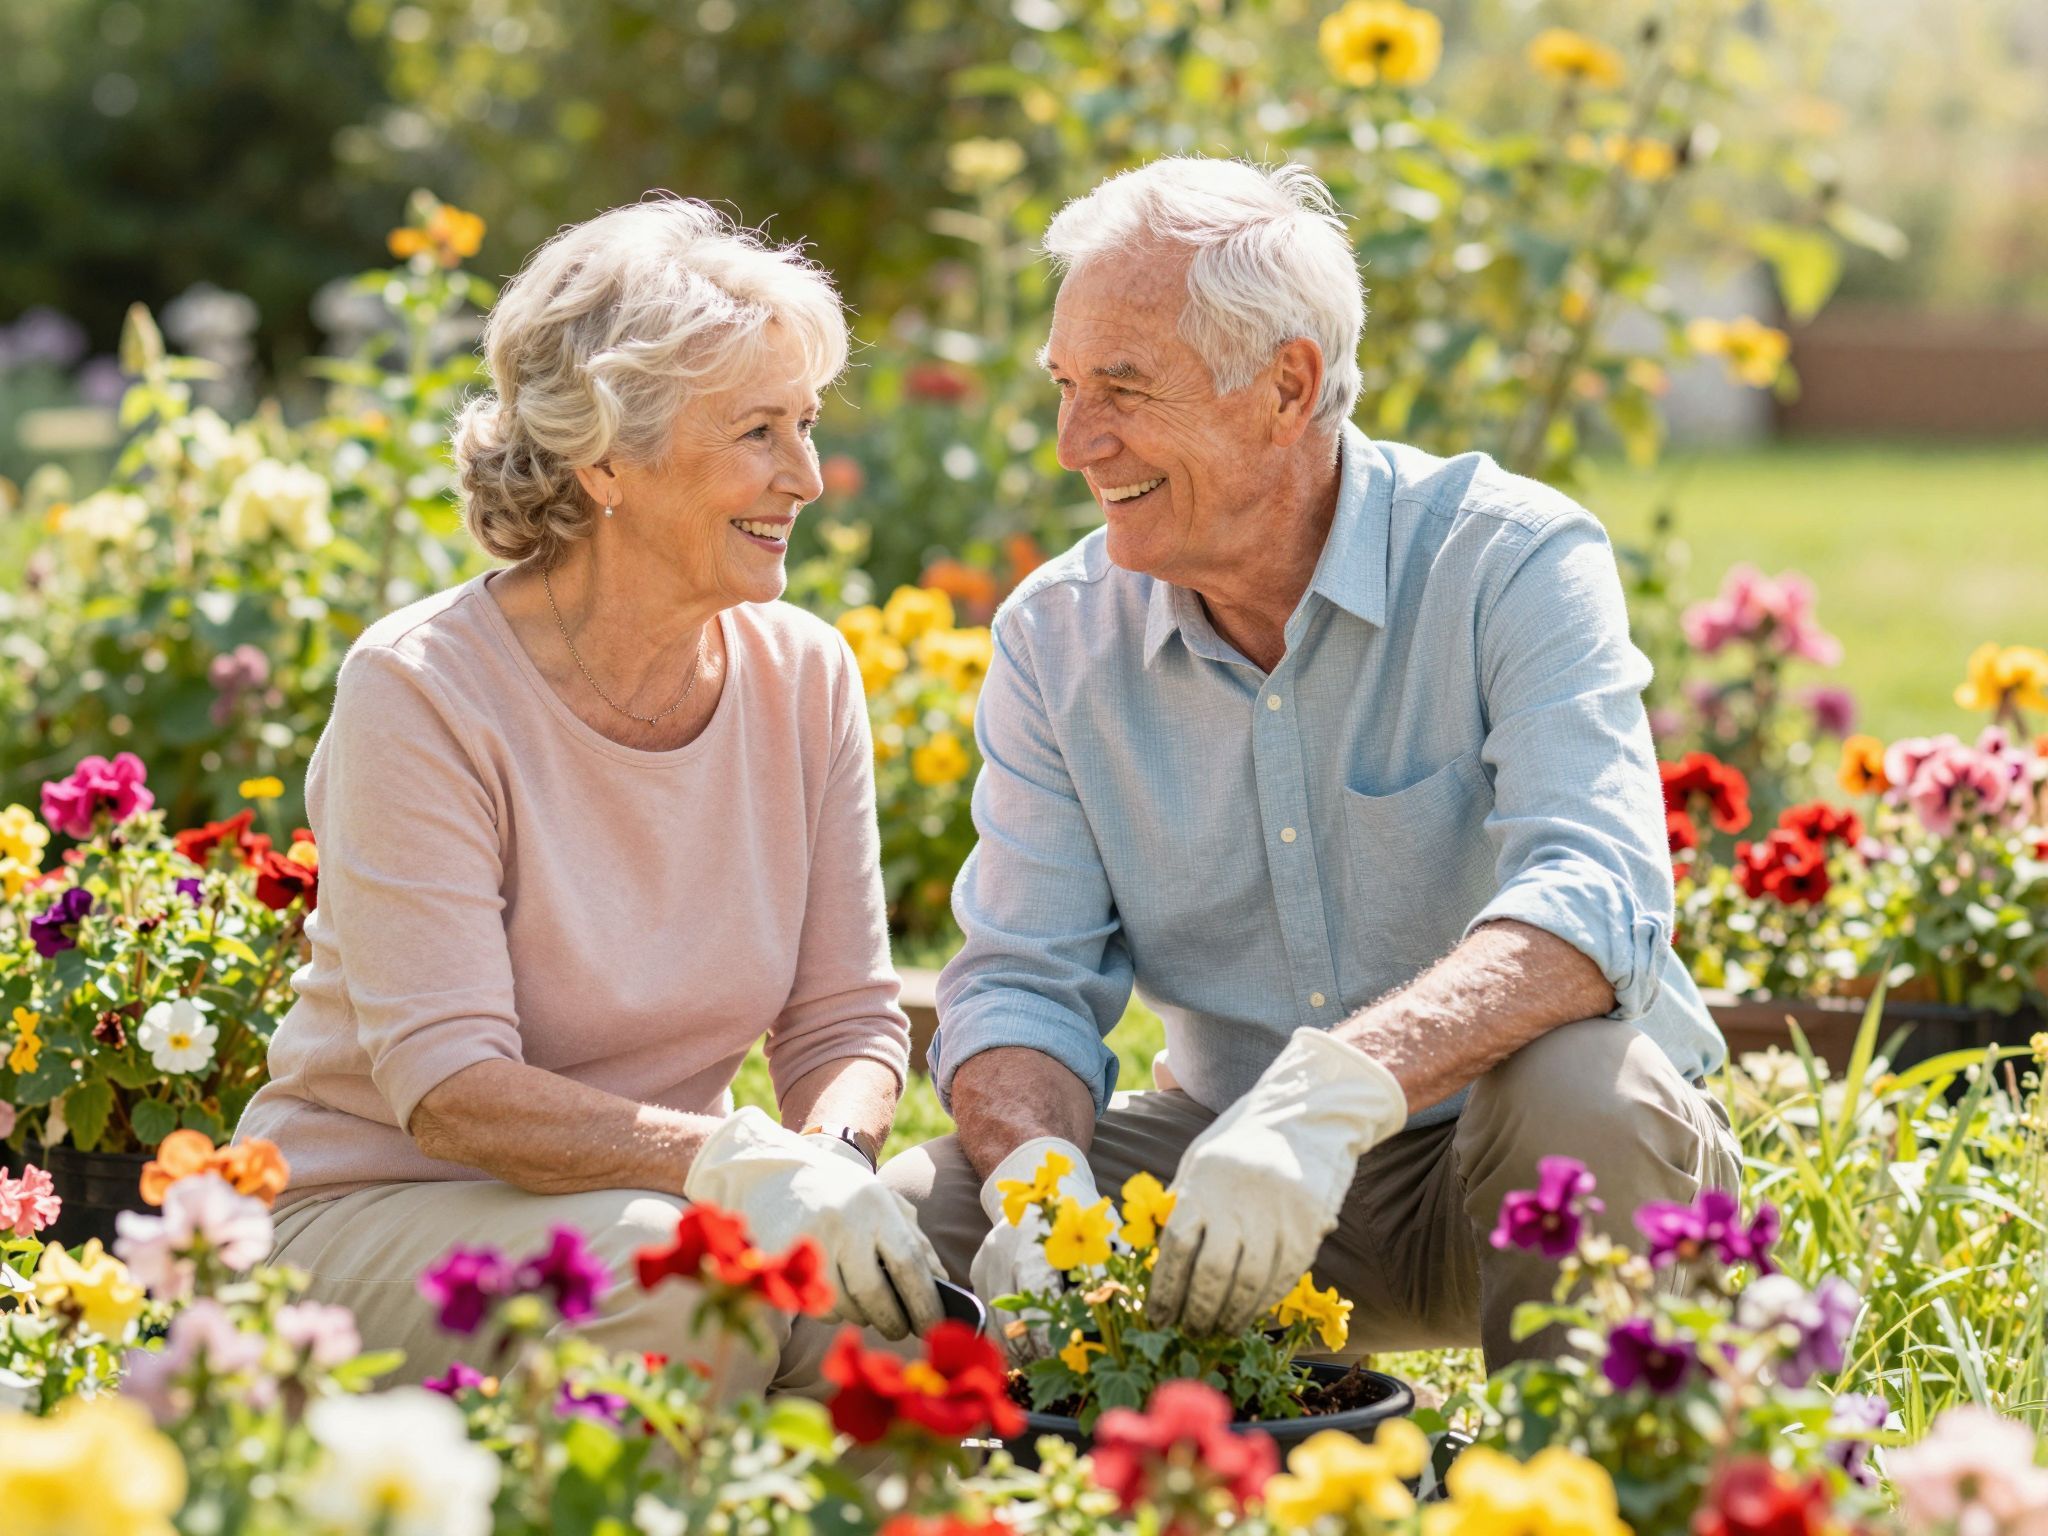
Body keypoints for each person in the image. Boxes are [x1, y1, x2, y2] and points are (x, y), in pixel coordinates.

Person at [881, 157, 1740, 1369]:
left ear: (1284, 384)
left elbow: (1594, 898)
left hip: (1498, 1164)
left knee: (1583, 1092)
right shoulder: (1056, 636)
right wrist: (1034, 1179)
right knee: (899, 1231)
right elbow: (1021, 981)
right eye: (1066, 386)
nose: (1075, 441)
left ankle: (1604, 1484)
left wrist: (1328, 1097)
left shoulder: (1508, 560)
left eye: (1123, 386)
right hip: (1233, 1184)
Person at [237, 196, 946, 1394]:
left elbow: (842, 1020)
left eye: (808, 424)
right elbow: (452, 1094)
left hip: (653, 1203)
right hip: (378, 1216)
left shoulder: (803, 673)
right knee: (691, 1284)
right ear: (606, 457)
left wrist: (822, 1164)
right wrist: (734, 1165)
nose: (810, 478)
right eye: (758, 433)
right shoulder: (421, 689)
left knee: (887, 1308)